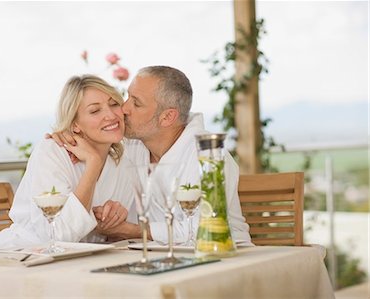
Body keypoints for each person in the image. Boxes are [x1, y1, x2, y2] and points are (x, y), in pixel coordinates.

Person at [51, 66, 253, 246]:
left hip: (223, 258)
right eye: (127, 97)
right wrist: (70, 134)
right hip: (158, 258)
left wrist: (132, 230)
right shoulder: (131, 147)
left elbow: (202, 230)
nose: (124, 108)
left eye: (136, 103)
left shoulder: (209, 156)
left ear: (167, 117)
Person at [0, 75, 136, 249]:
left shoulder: (124, 163)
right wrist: (93, 164)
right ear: (75, 124)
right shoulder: (52, 152)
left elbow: (117, 236)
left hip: (84, 262)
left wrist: (115, 220)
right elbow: (57, 235)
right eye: (95, 111)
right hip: (24, 256)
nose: (111, 115)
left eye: (114, 104)